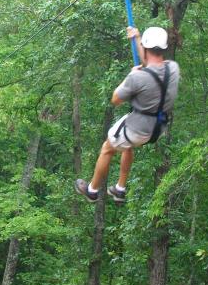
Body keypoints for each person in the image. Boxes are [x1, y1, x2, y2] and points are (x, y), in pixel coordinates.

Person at [75, 26, 181, 203]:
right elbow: (151, 65)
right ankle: (120, 189)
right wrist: (138, 38)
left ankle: (92, 190)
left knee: (107, 148)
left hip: (138, 128)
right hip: (159, 127)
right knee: (127, 145)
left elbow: (115, 99)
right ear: (163, 48)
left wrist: (129, 76)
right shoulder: (173, 69)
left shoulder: (137, 78)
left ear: (146, 49)